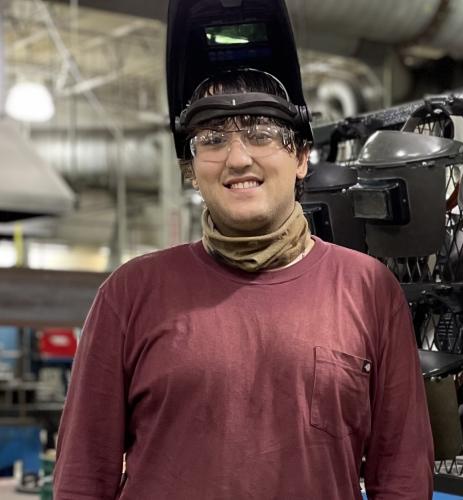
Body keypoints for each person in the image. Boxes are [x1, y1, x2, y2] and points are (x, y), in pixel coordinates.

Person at [52, 69, 434, 499]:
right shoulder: (131, 292)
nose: (237, 158)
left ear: (302, 158)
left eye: (262, 134)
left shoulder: (368, 290)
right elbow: (83, 474)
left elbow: (402, 472)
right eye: (212, 140)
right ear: (191, 169)